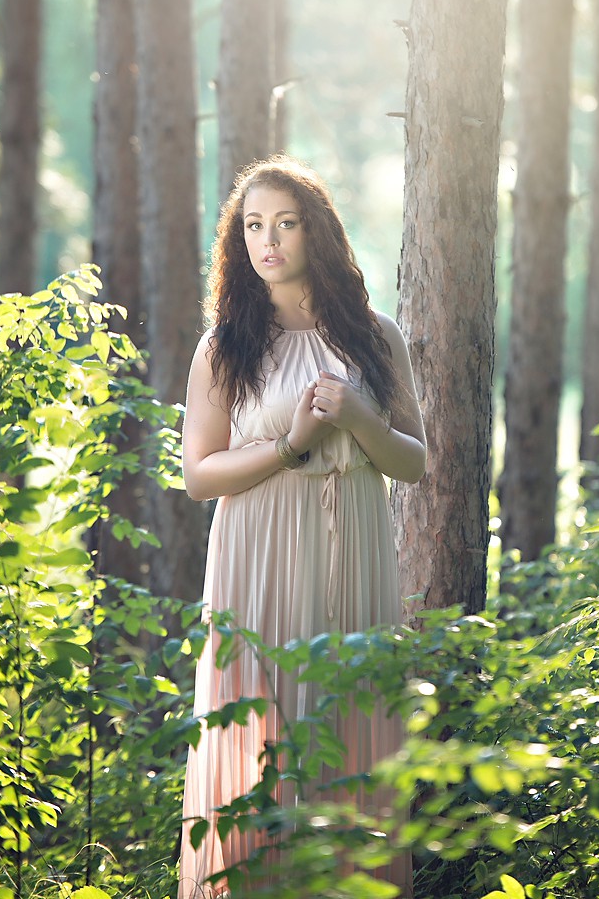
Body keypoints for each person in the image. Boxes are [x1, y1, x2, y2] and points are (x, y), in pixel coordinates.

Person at [178, 157, 425, 896]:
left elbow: (412, 461)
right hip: (257, 546)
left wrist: (354, 416)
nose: (269, 240)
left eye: (285, 222)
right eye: (254, 225)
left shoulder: (377, 337)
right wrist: (289, 445)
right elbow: (198, 474)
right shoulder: (225, 347)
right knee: (261, 716)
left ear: (315, 231)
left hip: (353, 540)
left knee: (349, 707)